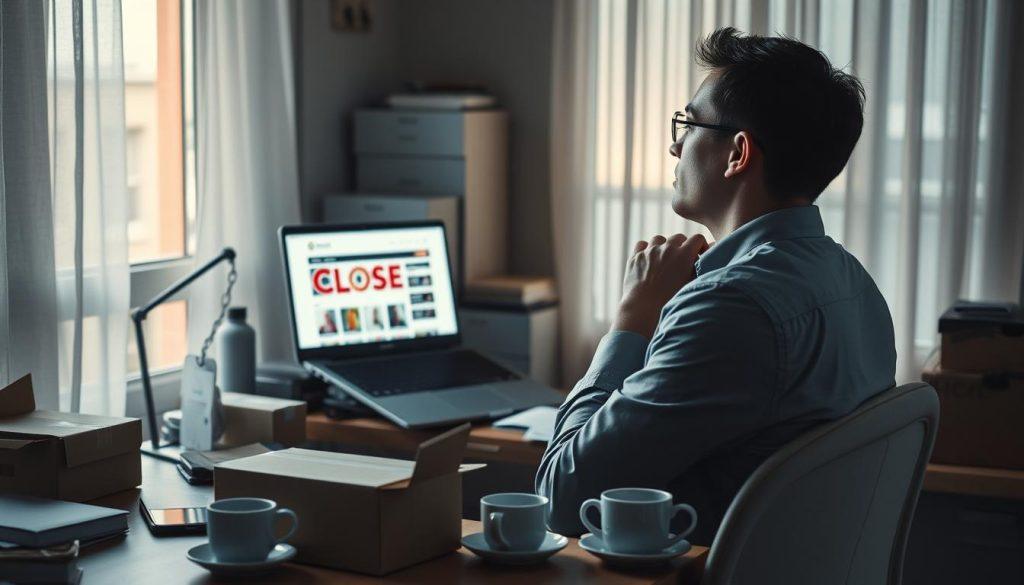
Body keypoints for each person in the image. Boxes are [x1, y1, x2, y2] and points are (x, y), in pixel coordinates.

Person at [536, 27, 896, 546]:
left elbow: (562, 499)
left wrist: (632, 318)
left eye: (689, 123)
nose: (674, 144)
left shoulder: (732, 308)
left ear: (737, 153)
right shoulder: (855, 283)